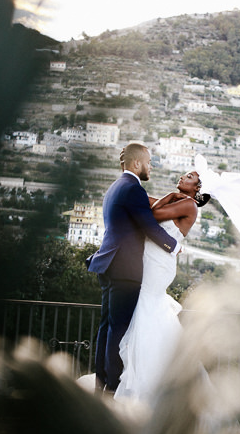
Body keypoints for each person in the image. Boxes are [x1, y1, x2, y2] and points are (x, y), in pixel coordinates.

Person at [87, 143, 182, 395]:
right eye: (149, 162)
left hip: (108, 263)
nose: (150, 167)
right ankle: (113, 387)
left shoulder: (116, 187)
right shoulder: (133, 189)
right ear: (137, 163)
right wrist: (174, 246)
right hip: (124, 268)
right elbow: (149, 226)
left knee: (107, 326)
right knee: (119, 328)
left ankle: (102, 381)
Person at [114, 171, 209, 403]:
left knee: (147, 307)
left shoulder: (188, 204)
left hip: (159, 264)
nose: (182, 177)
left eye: (189, 177)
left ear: (196, 188)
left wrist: (169, 195)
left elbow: (153, 214)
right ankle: (157, 373)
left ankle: (147, 384)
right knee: (151, 312)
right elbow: (146, 203)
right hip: (153, 259)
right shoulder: (179, 200)